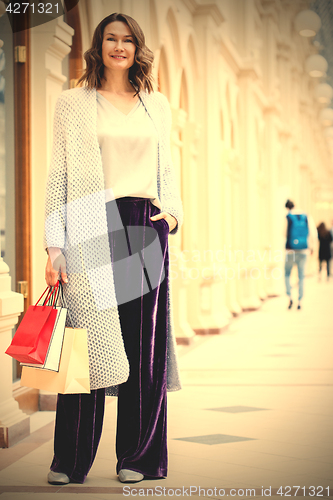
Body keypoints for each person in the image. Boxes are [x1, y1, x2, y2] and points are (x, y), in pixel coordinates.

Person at [44, 13, 183, 485]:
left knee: (142, 348)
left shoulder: (156, 105)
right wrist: (53, 245)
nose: (118, 47)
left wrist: (175, 214)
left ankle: (137, 458)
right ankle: (70, 459)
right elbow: (57, 176)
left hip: (145, 226)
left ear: (136, 47)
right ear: (98, 46)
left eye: (127, 40)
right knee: (87, 346)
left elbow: (171, 170)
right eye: (110, 39)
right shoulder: (72, 103)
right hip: (89, 223)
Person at [284, 199, 316, 310]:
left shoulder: (288, 217)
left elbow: (283, 233)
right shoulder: (306, 216)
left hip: (290, 251)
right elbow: (313, 233)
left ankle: (290, 297)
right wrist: (312, 247)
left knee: (287, 274)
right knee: (301, 276)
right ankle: (300, 300)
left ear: (287, 208)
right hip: (303, 250)